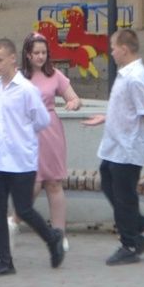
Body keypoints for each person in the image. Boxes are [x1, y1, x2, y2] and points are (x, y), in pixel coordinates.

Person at [0, 38, 66, 277]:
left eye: (0, 60)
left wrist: (22, 134)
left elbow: (42, 120)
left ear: (13, 59)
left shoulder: (26, 90)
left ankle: (52, 238)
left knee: (23, 209)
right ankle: (5, 261)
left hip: (21, 160)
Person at [83, 28, 144, 266]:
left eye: (113, 47)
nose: (112, 52)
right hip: (115, 146)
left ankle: (129, 245)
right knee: (109, 184)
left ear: (124, 50)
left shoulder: (135, 78)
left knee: (124, 197)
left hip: (128, 148)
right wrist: (107, 117)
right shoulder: (125, 74)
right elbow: (125, 107)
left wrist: (125, 123)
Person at [21, 32, 82, 252]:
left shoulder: (55, 75)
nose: (40, 57)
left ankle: (59, 233)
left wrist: (73, 103)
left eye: (44, 52)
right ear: (27, 54)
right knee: (32, 184)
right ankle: (14, 222)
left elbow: (73, 97)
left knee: (54, 182)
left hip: (50, 130)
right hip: (27, 132)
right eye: (36, 53)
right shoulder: (19, 77)